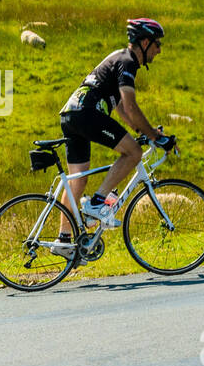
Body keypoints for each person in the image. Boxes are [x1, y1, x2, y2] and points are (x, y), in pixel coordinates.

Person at [56, 18, 177, 242]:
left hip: (71, 114)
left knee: (77, 181)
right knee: (133, 152)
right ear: (144, 42)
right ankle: (98, 203)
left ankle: (64, 239)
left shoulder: (118, 57)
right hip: (87, 113)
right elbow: (130, 105)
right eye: (157, 44)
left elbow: (120, 106)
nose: (159, 50)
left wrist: (139, 130)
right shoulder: (128, 61)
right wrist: (153, 135)